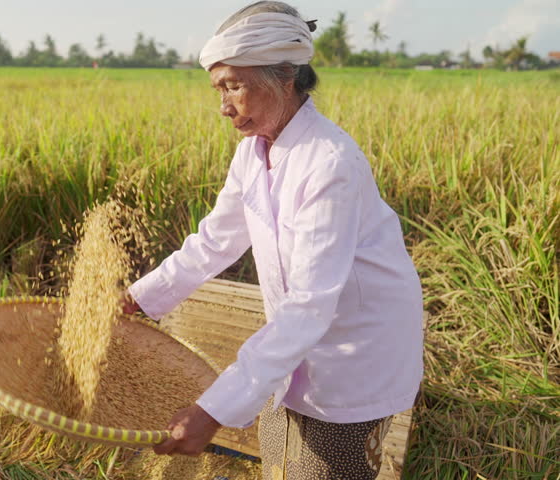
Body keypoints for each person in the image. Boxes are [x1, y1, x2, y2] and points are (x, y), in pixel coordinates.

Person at [121, 2, 424, 478]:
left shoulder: (330, 162)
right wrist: (137, 298)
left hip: (354, 354)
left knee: (320, 470)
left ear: (285, 77)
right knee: (278, 458)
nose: (223, 106)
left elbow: (308, 305)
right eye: (218, 89)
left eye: (234, 86)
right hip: (293, 344)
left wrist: (211, 411)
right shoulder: (252, 153)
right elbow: (214, 242)